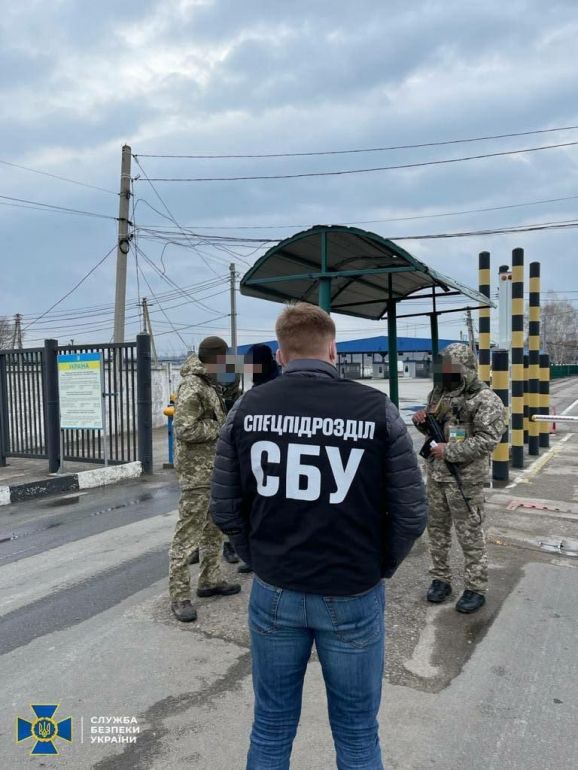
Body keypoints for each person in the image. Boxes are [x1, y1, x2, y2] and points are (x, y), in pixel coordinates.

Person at [210, 302, 427, 769]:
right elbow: (410, 514)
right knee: (357, 734)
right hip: (352, 590)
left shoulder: (247, 409)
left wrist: (261, 559)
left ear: (281, 354)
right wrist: (378, 566)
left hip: (274, 589)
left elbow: (225, 508)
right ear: (333, 350)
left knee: (270, 726)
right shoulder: (375, 409)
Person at [412, 343, 507, 614]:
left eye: (451, 368)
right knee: (437, 531)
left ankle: (475, 588)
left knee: (470, 535)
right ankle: (441, 580)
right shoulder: (439, 393)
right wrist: (422, 421)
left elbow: (488, 440)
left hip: (465, 480)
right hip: (437, 476)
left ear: (465, 368)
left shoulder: (485, 399)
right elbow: (436, 429)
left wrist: (449, 451)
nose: (446, 373)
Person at [169, 336, 241, 623]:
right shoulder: (192, 386)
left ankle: (210, 579)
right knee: (187, 536)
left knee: (213, 530)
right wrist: (219, 426)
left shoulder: (209, 383)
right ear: (214, 359)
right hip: (196, 473)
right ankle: (179, 596)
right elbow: (184, 429)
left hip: (211, 470)